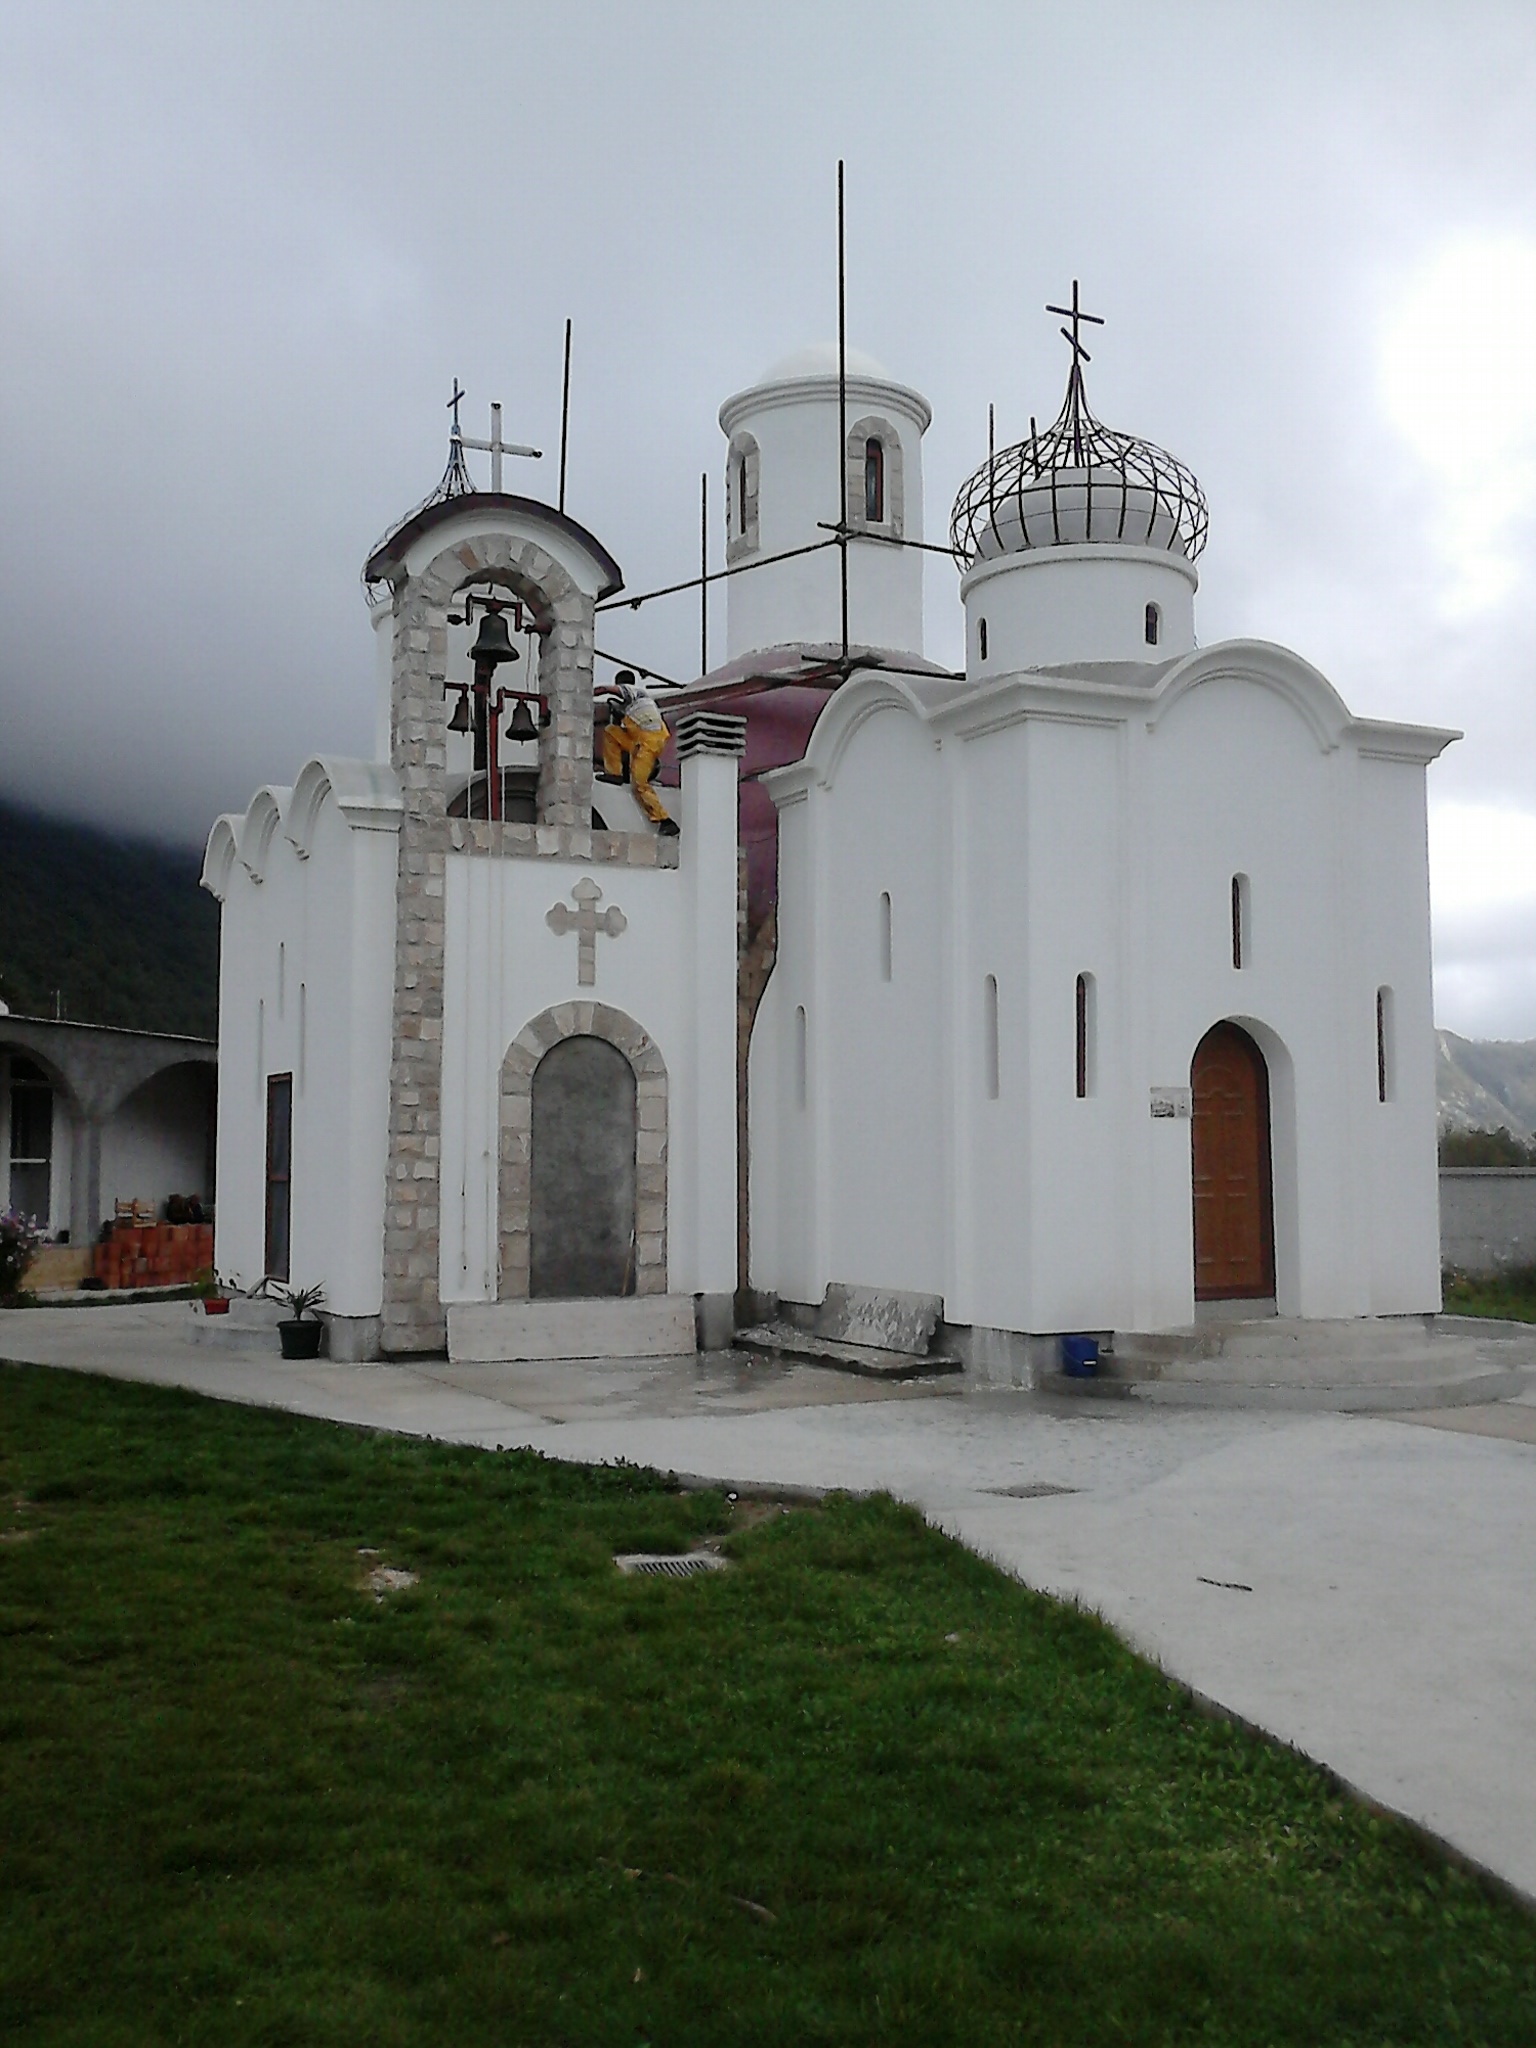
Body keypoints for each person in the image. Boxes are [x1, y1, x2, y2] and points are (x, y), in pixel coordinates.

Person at [595, 670, 679, 835]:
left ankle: (665, 820)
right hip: (641, 739)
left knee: (639, 785)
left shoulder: (633, 691)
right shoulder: (638, 704)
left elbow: (608, 690)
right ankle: (614, 774)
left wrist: (593, 692)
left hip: (649, 742)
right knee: (611, 732)